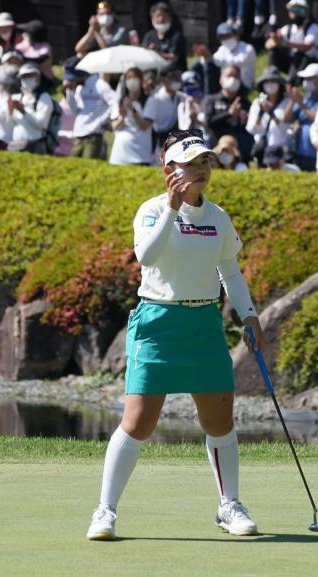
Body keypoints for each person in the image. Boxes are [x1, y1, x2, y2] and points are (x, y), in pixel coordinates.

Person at [86, 129, 264, 542]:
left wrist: (250, 315)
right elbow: (146, 255)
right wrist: (171, 209)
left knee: (219, 421)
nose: (200, 170)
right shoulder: (150, 210)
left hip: (203, 323)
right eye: (190, 165)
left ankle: (229, 505)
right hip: (158, 322)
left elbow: (230, 272)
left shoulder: (218, 217)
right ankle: (105, 511)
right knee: (137, 422)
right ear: (169, 170)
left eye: (205, 162)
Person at [64, 56, 116, 159]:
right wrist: (69, 92)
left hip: (93, 135)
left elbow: (115, 103)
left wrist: (103, 120)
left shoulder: (100, 85)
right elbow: (75, 110)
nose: (72, 79)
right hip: (79, 133)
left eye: (74, 76)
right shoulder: (78, 88)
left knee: (89, 163)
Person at [107, 67, 156, 165]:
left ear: (141, 80)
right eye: (129, 78)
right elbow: (115, 127)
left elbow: (144, 126)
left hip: (140, 155)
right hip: (120, 155)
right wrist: (122, 117)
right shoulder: (120, 101)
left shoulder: (149, 101)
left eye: (135, 77)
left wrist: (132, 110)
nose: (132, 80)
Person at [7, 62, 58, 153]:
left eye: (29, 76)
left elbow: (42, 125)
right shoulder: (18, 97)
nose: (26, 79)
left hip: (35, 145)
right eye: (23, 77)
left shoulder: (44, 97)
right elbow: (11, 124)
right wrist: (10, 111)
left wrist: (23, 111)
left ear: (38, 77)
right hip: (17, 144)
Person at [288, 62, 318, 172]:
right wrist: (293, 101)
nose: (306, 82)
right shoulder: (306, 99)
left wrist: (301, 104)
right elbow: (287, 119)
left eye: (310, 78)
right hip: (300, 152)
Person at [204, 66, 252, 161]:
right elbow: (208, 122)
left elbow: (251, 129)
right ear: (221, 79)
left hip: (238, 152)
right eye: (229, 75)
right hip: (215, 148)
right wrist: (228, 113)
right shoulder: (211, 100)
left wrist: (244, 121)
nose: (233, 79)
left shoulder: (245, 103)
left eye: (236, 77)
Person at [247, 66, 293, 162]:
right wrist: (261, 113)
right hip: (262, 150)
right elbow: (252, 129)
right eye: (267, 82)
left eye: (273, 81)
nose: (270, 85)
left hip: (280, 151)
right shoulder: (257, 103)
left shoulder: (287, 102)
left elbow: (287, 129)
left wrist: (271, 112)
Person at [142, 3, 187, 71]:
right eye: (158, 16)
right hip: (151, 69)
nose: (161, 19)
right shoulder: (149, 35)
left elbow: (173, 58)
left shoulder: (176, 35)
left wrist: (154, 52)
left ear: (170, 18)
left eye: (164, 16)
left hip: (174, 72)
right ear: (152, 18)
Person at [212, 22, 256, 90]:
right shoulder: (222, 49)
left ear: (236, 35)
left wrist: (223, 61)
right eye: (223, 37)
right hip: (225, 86)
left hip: (245, 86)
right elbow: (214, 60)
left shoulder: (248, 48)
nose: (226, 39)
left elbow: (239, 61)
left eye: (228, 36)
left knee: (231, 70)